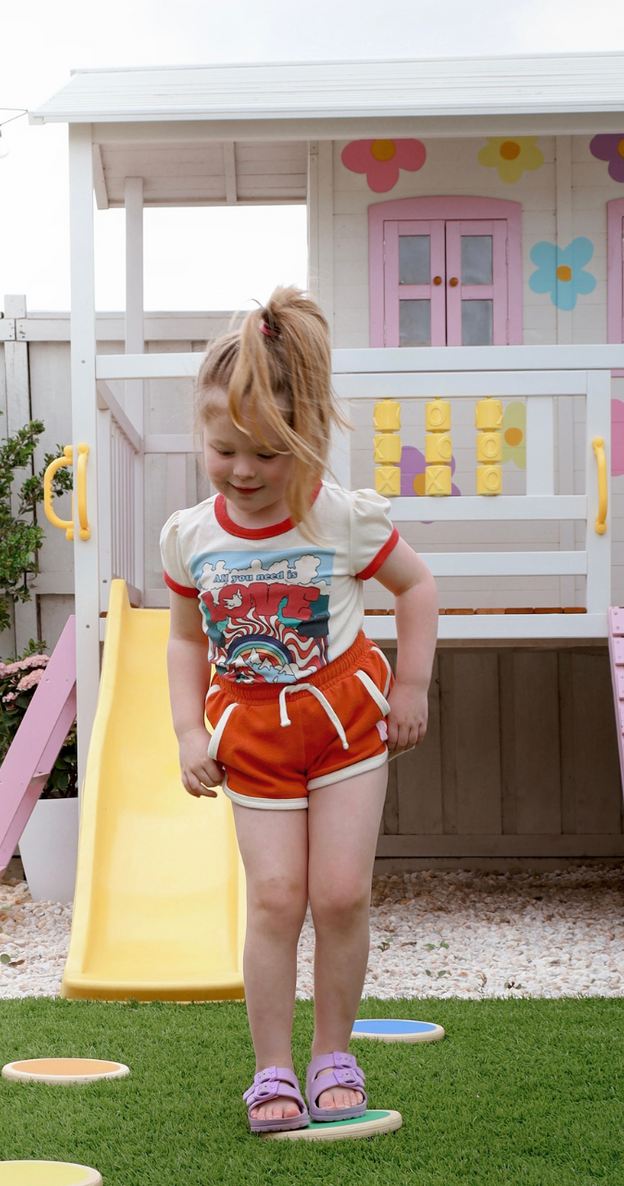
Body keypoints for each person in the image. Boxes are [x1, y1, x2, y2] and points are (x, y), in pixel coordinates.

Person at [161, 287, 439, 1133]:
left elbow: (417, 587)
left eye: (266, 455)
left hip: (346, 724)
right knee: (278, 897)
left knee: (341, 894)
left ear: (305, 439)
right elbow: (183, 642)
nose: (243, 472)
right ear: (203, 439)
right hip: (252, 735)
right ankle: (273, 1073)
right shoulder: (190, 538)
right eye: (224, 450)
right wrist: (185, 733)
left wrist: (412, 686)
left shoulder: (338, 519)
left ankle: (334, 1055)